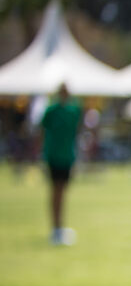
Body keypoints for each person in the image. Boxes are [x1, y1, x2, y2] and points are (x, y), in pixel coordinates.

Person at [40, 83, 83, 245]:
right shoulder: (51, 111)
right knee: (55, 191)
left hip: (67, 157)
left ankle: (60, 226)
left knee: (63, 192)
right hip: (53, 156)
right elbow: (42, 131)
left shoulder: (73, 111)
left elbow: (77, 131)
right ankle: (55, 227)